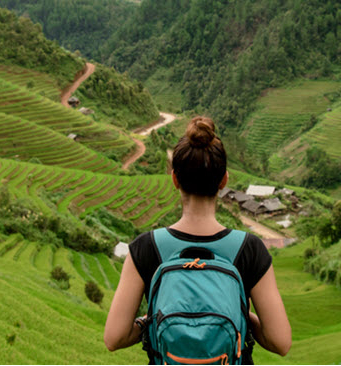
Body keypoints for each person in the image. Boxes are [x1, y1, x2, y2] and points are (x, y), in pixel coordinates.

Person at [104, 116, 292, 363]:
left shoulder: (146, 247)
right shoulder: (250, 249)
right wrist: (240, 315)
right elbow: (280, 341)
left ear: (174, 179)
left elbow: (114, 338)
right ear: (224, 180)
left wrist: (149, 320)